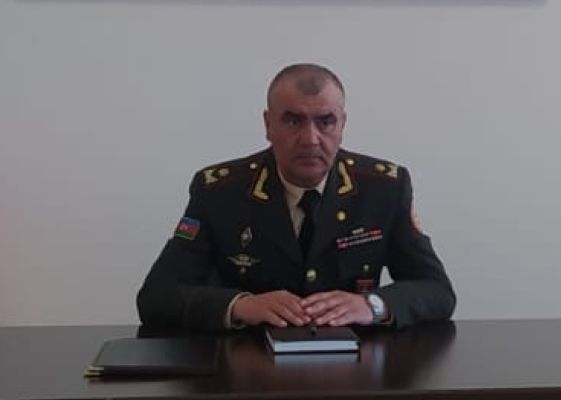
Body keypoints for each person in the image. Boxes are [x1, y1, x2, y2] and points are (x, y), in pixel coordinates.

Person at [137, 63, 455, 332]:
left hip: (354, 365)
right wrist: (241, 306)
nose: (310, 139)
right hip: (248, 365)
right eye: (293, 121)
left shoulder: (384, 187)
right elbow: (157, 297)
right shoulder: (219, 191)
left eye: (325, 121)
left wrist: (372, 305)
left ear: (342, 124)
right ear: (268, 125)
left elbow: (437, 290)